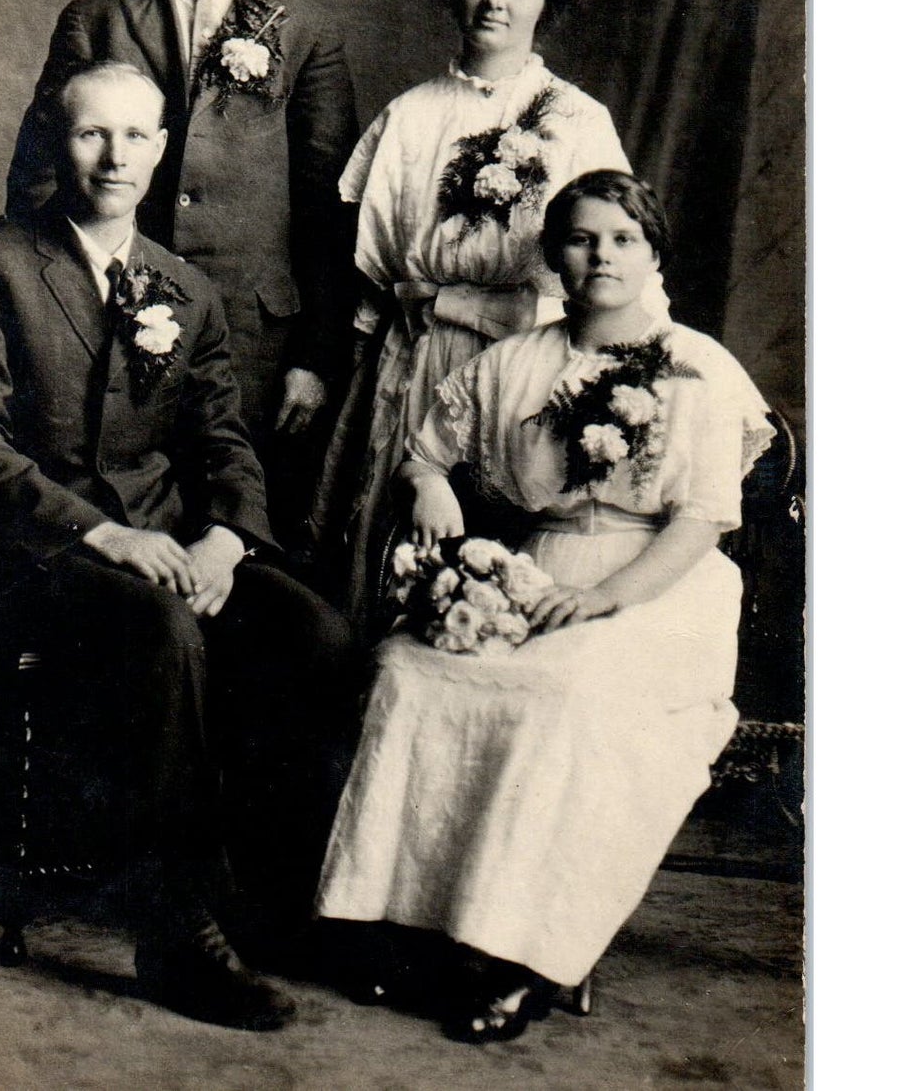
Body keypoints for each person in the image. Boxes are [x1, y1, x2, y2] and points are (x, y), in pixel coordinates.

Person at [0, 61, 356, 1033]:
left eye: (135, 136)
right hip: (34, 554)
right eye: (89, 134)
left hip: (164, 541)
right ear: (53, 139)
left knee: (313, 630)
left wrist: (227, 541)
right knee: (162, 628)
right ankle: (171, 922)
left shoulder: (183, 288)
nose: (114, 156)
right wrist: (103, 531)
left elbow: (221, 441)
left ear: (160, 149)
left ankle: (269, 902)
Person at [314, 170, 775, 1044]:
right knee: (409, 671)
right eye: (580, 237)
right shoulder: (517, 359)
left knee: (561, 697)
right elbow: (424, 451)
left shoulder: (700, 367)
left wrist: (603, 597)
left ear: (651, 255)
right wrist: (428, 485)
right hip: (542, 568)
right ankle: (400, 927)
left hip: (662, 587)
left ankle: (516, 955)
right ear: (553, 255)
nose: (599, 255)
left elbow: (704, 520)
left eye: (621, 239)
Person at [6, 0, 359, 549]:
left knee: (239, 540)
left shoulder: (305, 32)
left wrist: (316, 358)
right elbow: (36, 186)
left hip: (253, 340)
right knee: (131, 531)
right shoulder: (95, 20)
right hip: (102, 332)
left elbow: (331, 213)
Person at [326, 0, 644, 621]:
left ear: (546, 2)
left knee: (503, 584)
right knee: (397, 573)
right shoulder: (408, 115)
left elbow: (613, 268)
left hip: (529, 368)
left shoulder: (576, 120)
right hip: (416, 366)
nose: (494, 0)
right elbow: (372, 277)